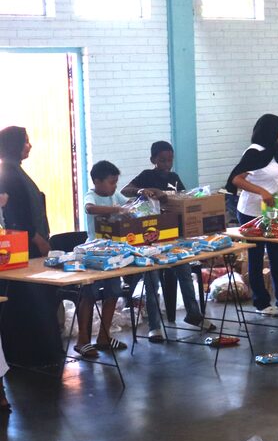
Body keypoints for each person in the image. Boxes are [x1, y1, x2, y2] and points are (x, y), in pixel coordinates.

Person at [122, 142, 214, 340]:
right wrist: (142, 191)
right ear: (153, 160)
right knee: (152, 280)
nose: (166, 164)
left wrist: (169, 196)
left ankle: (194, 314)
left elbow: (185, 197)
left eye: (170, 160)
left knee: (185, 272)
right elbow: (125, 190)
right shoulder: (146, 175)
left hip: (173, 234)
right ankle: (155, 325)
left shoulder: (174, 178)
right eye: (162, 160)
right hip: (151, 238)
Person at [228, 114, 278, 316]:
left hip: (272, 212)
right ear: (270, 130)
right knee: (256, 256)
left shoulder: (275, 151)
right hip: (251, 212)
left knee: (277, 255)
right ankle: (260, 302)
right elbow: (236, 179)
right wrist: (262, 192)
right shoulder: (254, 152)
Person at [0, 126, 61, 369]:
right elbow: (17, 216)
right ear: (15, 145)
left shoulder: (15, 171)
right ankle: (30, 356)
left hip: (30, 246)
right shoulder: (7, 173)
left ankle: (40, 354)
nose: (30, 146)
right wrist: (39, 240)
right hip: (23, 249)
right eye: (26, 141)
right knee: (27, 301)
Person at [76, 161, 130, 359]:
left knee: (113, 292)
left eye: (116, 182)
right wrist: (116, 210)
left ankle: (104, 337)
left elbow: (128, 204)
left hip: (114, 253)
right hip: (94, 254)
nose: (115, 186)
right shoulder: (92, 195)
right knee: (89, 295)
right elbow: (90, 209)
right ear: (97, 181)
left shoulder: (115, 195)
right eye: (111, 182)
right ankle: (82, 340)